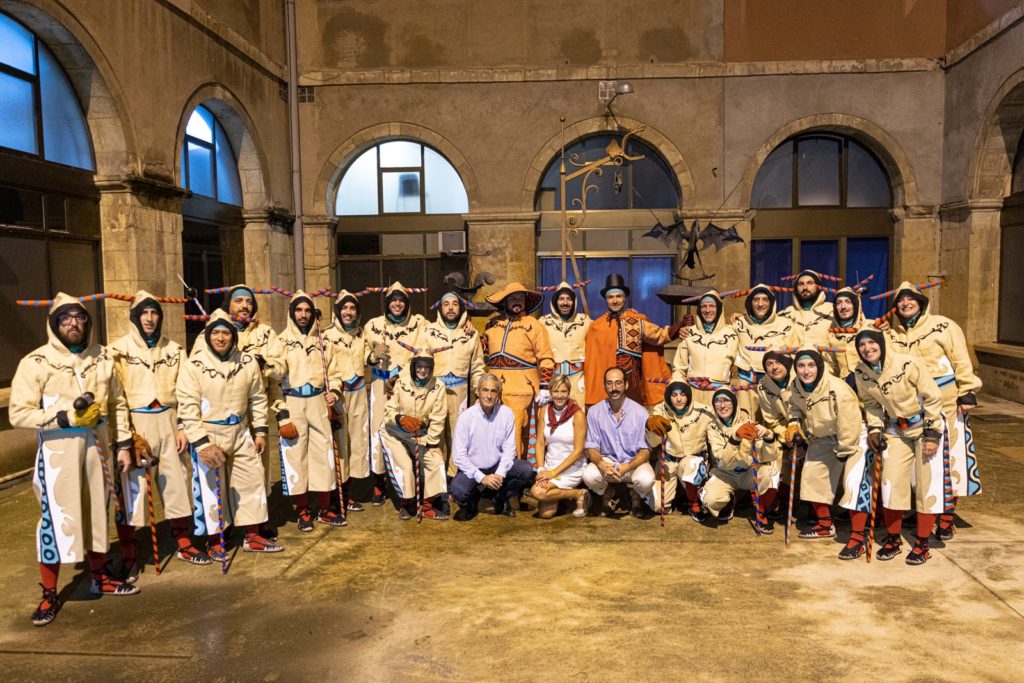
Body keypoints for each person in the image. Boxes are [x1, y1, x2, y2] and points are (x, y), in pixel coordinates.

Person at [10, 293, 138, 626]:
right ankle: (49, 593)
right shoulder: (35, 362)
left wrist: (123, 444)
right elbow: (18, 414)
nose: (73, 323)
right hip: (57, 456)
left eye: (79, 317)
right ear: (54, 323)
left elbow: (118, 405)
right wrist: (65, 417)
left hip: (98, 448)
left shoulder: (103, 358)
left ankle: (100, 575)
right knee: (57, 520)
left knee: (98, 512)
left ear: (88, 322)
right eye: (65, 318)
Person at [110, 291, 206, 576]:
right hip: (137, 424)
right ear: (134, 317)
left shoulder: (174, 350)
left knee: (177, 482)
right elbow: (114, 398)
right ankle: (129, 552)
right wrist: (127, 437)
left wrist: (183, 427)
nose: (150, 319)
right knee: (132, 490)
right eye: (144, 313)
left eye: (155, 313)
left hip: (169, 420)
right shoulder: (117, 351)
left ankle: (184, 542)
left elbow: (187, 391)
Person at [177, 310, 279, 556]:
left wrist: (261, 432)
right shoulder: (194, 366)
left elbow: (256, 398)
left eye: (225, 333)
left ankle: (252, 535)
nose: (220, 338)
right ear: (208, 336)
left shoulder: (247, 362)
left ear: (233, 336)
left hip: (241, 430)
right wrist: (201, 444)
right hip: (210, 432)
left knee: (251, 481)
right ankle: (215, 540)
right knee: (213, 489)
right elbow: (188, 408)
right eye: (216, 333)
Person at [886, 281, 982, 540]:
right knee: (917, 463)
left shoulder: (943, 325)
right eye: (900, 301)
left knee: (948, 459)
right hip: (911, 403)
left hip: (945, 400)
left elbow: (961, 359)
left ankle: (947, 517)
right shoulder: (894, 335)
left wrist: (967, 389)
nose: (905, 304)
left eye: (910, 300)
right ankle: (921, 512)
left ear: (921, 302)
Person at [192, 285, 284, 533]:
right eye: (239, 301)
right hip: (221, 412)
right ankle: (226, 522)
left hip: (255, 407)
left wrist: (261, 363)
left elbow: (280, 369)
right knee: (220, 472)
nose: (245, 306)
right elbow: (197, 371)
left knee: (256, 470)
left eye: (249, 302)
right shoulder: (210, 333)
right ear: (228, 305)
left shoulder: (265, 333)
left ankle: (256, 520)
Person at [854, 329, 946, 565]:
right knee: (890, 481)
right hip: (896, 429)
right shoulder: (862, 372)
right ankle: (893, 539)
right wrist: (875, 429)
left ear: (882, 343)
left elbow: (933, 397)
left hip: (925, 425)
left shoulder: (908, 363)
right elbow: (872, 403)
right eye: (862, 345)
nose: (867, 348)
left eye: (871, 343)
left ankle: (922, 544)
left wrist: (933, 433)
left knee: (927, 483)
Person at [273, 291, 347, 531]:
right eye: (298, 310)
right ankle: (303, 510)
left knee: (323, 455)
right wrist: (281, 414)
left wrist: (334, 392)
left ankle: (325, 508)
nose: (303, 315)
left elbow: (335, 373)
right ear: (291, 313)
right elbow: (274, 380)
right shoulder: (281, 341)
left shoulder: (323, 342)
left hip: (317, 401)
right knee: (296, 457)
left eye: (307, 310)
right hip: (293, 401)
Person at [784, 349, 863, 542]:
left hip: (850, 437)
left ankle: (860, 532)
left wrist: (845, 449)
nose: (806, 371)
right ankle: (825, 524)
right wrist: (793, 424)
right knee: (811, 478)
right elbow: (794, 406)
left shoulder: (837, 388)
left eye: (811, 365)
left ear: (819, 367)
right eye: (801, 366)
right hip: (821, 438)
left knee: (853, 483)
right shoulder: (796, 385)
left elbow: (849, 419)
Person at [364, 282, 429, 504]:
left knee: (406, 430)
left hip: (406, 385)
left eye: (401, 300)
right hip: (380, 385)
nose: (397, 303)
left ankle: (410, 482)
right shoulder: (373, 325)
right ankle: (378, 481)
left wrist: (400, 377)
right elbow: (362, 351)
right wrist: (373, 355)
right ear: (387, 303)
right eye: (393, 300)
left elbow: (431, 343)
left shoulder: (419, 323)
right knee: (377, 433)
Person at [481, 282, 555, 459]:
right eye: (513, 298)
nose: (517, 302)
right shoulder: (492, 324)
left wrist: (544, 387)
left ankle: (515, 476)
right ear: (505, 301)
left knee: (514, 434)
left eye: (520, 298)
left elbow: (546, 357)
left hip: (521, 389)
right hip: (492, 389)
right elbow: (483, 355)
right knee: (488, 430)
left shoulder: (534, 325)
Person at [450, 374, 534, 520]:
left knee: (525, 470)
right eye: (485, 390)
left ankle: (500, 498)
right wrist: (483, 478)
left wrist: (500, 474)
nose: (489, 396)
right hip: (473, 467)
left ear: (498, 394)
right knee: (458, 490)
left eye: (493, 391)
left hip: (496, 466)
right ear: (477, 392)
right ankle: (471, 501)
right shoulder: (466, 417)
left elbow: (510, 449)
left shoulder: (506, 413)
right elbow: (459, 457)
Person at [583, 274, 674, 408]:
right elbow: (592, 363)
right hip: (607, 384)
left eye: (618, 296)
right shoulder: (596, 327)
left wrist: (680, 327)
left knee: (633, 418)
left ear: (624, 298)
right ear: (606, 299)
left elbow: (659, 335)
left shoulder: (637, 319)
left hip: (633, 383)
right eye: (611, 297)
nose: (615, 300)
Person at [380, 351, 449, 520]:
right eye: (419, 366)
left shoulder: (438, 386)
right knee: (404, 465)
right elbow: (389, 411)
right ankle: (406, 503)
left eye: (427, 367)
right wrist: (400, 418)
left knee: (436, 461)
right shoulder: (402, 383)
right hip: (394, 431)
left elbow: (438, 418)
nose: (423, 371)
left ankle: (426, 505)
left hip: (419, 432)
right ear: (413, 367)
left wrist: (432, 444)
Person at [424, 291, 485, 475]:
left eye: (455, 304)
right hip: (435, 391)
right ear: (440, 308)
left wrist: (478, 393)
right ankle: (436, 478)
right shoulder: (429, 331)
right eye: (446, 304)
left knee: (459, 436)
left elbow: (477, 367)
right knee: (436, 434)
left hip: (460, 392)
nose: (450, 308)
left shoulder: (470, 334)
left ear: (461, 308)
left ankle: (453, 476)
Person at [581, 367, 655, 517]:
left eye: (618, 383)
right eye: (609, 383)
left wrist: (626, 467)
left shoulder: (640, 412)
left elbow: (645, 451)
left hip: (633, 462)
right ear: (604, 386)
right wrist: (602, 464)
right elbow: (591, 447)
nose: (614, 388)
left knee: (646, 480)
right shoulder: (595, 412)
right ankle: (608, 492)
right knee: (588, 475)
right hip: (608, 462)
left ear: (626, 385)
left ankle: (636, 494)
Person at [702, 388, 778, 532]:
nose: (722, 405)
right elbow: (723, 462)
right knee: (709, 499)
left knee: (772, 474)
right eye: (718, 401)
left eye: (727, 400)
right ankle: (728, 502)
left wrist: (768, 436)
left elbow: (768, 457)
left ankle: (761, 512)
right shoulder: (712, 427)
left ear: (734, 403)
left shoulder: (747, 423)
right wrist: (735, 438)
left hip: (748, 472)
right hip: (725, 473)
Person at [323, 289, 372, 511]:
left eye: (352, 308)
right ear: (338, 311)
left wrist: (374, 356)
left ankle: (349, 493)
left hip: (359, 392)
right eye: (344, 308)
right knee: (339, 444)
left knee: (357, 442)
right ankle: (336, 496)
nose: (348, 312)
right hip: (339, 394)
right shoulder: (327, 336)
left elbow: (366, 357)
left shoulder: (362, 334)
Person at [644, 380, 714, 521]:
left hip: (693, 461)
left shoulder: (703, 411)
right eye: (674, 395)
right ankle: (674, 496)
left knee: (690, 465)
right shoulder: (660, 410)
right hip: (669, 462)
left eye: (682, 394)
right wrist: (649, 426)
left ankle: (693, 502)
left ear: (688, 395)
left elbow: (720, 428)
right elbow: (653, 441)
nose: (679, 399)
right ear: (669, 396)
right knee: (658, 506)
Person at [529, 374, 588, 519]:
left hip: (572, 467)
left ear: (569, 392)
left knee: (538, 492)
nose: (559, 396)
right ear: (550, 392)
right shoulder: (544, 411)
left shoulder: (578, 415)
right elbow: (540, 443)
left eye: (563, 391)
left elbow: (578, 451)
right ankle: (570, 496)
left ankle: (577, 494)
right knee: (546, 514)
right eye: (555, 391)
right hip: (550, 465)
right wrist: (542, 469)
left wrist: (553, 473)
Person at [733, 284, 795, 417]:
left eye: (765, 299)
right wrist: (686, 328)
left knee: (776, 425)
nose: (760, 304)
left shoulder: (786, 324)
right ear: (750, 302)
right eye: (756, 299)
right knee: (747, 425)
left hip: (774, 384)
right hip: (746, 383)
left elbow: (795, 352)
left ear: (771, 302)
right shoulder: (739, 323)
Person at [671, 290, 738, 407]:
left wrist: (742, 316)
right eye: (704, 306)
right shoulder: (689, 333)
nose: (707, 310)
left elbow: (753, 327)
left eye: (712, 306)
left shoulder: (732, 334)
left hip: (721, 397)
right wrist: (678, 392)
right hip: (693, 395)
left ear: (719, 308)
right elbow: (679, 369)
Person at [756, 351, 799, 519]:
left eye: (778, 363)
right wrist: (787, 436)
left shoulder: (801, 378)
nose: (774, 367)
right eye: (769, 364)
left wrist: (800, 435)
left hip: (808, 430)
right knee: (778, 457)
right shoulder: (763, 386)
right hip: (784, 432)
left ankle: (813, 507)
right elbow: (771, 420)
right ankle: (781, 498)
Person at [539, 282, 591, 406]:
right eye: (561, 299)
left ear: (574, 301)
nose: (565, 302)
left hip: (578, 379)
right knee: (553, 417)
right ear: (555, 301)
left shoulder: (585, 321)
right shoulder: (544, 322)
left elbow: (601, 332)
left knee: (579, 415)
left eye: (569, 299)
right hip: (554, 379)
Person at [825, 286, 870, 382]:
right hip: (846, 389)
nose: (843, 307)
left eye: (848, 302)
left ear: (855, 305)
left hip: (870, 385)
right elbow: (832, 368)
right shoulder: (832, 336)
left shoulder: (871, 328)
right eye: (839, 303)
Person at [778, 270, 833, 349]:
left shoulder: (831, 311)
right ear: (796, 288)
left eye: (810, 283)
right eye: (800, 284)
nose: (805, 287)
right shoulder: (785, 314)